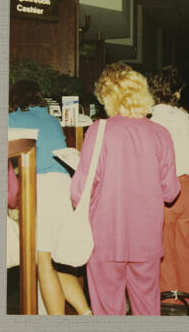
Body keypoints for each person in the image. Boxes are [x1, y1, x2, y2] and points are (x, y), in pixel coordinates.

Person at [71, 63, 180, 315]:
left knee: (108, 311)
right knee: (147, 308)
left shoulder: (99, 132)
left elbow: (79, 192)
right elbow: (171, 192)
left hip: (104, 238)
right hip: (146, 239)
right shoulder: (161, 134)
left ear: (108, 97)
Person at [9, 80, 91, 315]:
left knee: (42, 260)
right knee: (52, 259)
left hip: (41, 189)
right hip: (63, 187)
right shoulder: (51, 120)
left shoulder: (13, 119)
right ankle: (86, 313)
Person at [149, 65, 189, 302]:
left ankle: (169, 303)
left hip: (159, 189)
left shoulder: (149, 119)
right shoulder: (188, 118)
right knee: (188, 250)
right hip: (187, 188)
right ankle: (188, 300)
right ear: (177, 92)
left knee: (164, 252)